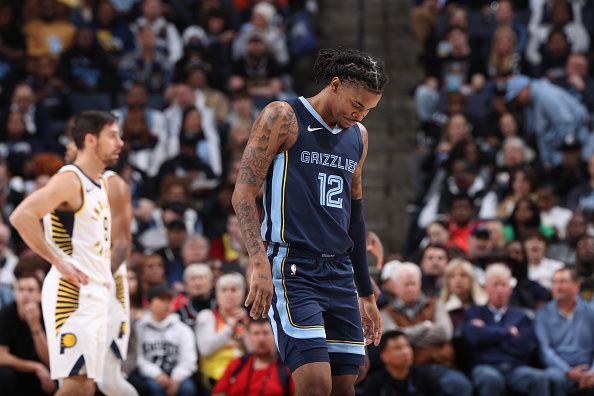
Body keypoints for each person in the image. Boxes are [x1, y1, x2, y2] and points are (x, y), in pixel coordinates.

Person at [231, 48, 386, 396]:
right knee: (315, 384)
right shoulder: (283, 116)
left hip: (340, 272)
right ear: (334, 85)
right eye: (356, 104)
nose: (360, 114)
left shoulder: (358, 136)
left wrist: (366, 291)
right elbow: (243, 194)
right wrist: (257, 261)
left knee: (347, 383)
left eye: (369, 110)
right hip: (293, 268)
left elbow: (355, 217)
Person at [9, 111, 123, 396]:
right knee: (74, 386)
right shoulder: (71, 179)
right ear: (90, 140)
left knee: (86, 388)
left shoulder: (101, 183)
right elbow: (21, 216)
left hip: (94, 292)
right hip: (72, 295)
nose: (120, 143)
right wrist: (58, 261)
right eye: (112, 135)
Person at [63, 139, 137, 396]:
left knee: (108, 380)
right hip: (73, 285)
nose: (67, 149)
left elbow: (123, 244)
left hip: (106, 287)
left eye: (72, 143)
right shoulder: (65, 183)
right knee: (77, 378)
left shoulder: (111, 181)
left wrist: (99, 278)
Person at [463, 263, 551, 396]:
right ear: (486, 288)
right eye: (495, 285)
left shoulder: (522, 316)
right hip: (485, 367)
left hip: (515, 368)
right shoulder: (474, 312)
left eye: (503, 285)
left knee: (539, 378)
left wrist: (487, 333)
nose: (500, 290)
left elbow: (524, 346)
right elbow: (474, 338)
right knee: (490, 378)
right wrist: (507, 333)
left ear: (510, 289)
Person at [535, 267, 594, 396]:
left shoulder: (590, 312)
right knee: (552, 377)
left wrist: (592, 372)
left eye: (562, 281)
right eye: (554, 282)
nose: (558, 287)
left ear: (576, 286)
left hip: (588, 368)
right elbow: (545, 350)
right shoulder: (543, 314)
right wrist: (568, 371)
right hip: (559, 369)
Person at [0, 264, 56, 396]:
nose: (25, 294)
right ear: (15, 292)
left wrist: (35, 326)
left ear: (40, 294)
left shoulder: (49, 315)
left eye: (30, 290)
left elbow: (50, 361)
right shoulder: (6, 314)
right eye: (20, 289)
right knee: (3, 374)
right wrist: (35, 367)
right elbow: (1, 356)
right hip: (20, 371)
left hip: (47, 375)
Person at [134, 284, 198, 396]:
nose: (166, 304)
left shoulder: (183, 329)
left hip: (177, 374)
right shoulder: (139, 328)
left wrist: (176, 378)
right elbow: (137, 358)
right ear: (149, 303)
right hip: (150, 375)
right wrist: (156, 374)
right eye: (161, 299)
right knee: (153, 388)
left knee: (188, 389)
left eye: (169, 300)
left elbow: (189, 360)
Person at [212, 317, 295, 396]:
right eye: (256, 333)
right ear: (249, 337)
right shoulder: (236, 365)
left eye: (266, 333)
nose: (261, 339)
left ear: (275, 336)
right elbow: (219, 392)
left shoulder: (288, 369)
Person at [363, 330, 443, 396]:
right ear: (384, 356)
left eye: (407, 346)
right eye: (398, 348)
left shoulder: (425, 376)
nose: (406, 352)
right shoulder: (374, 382)